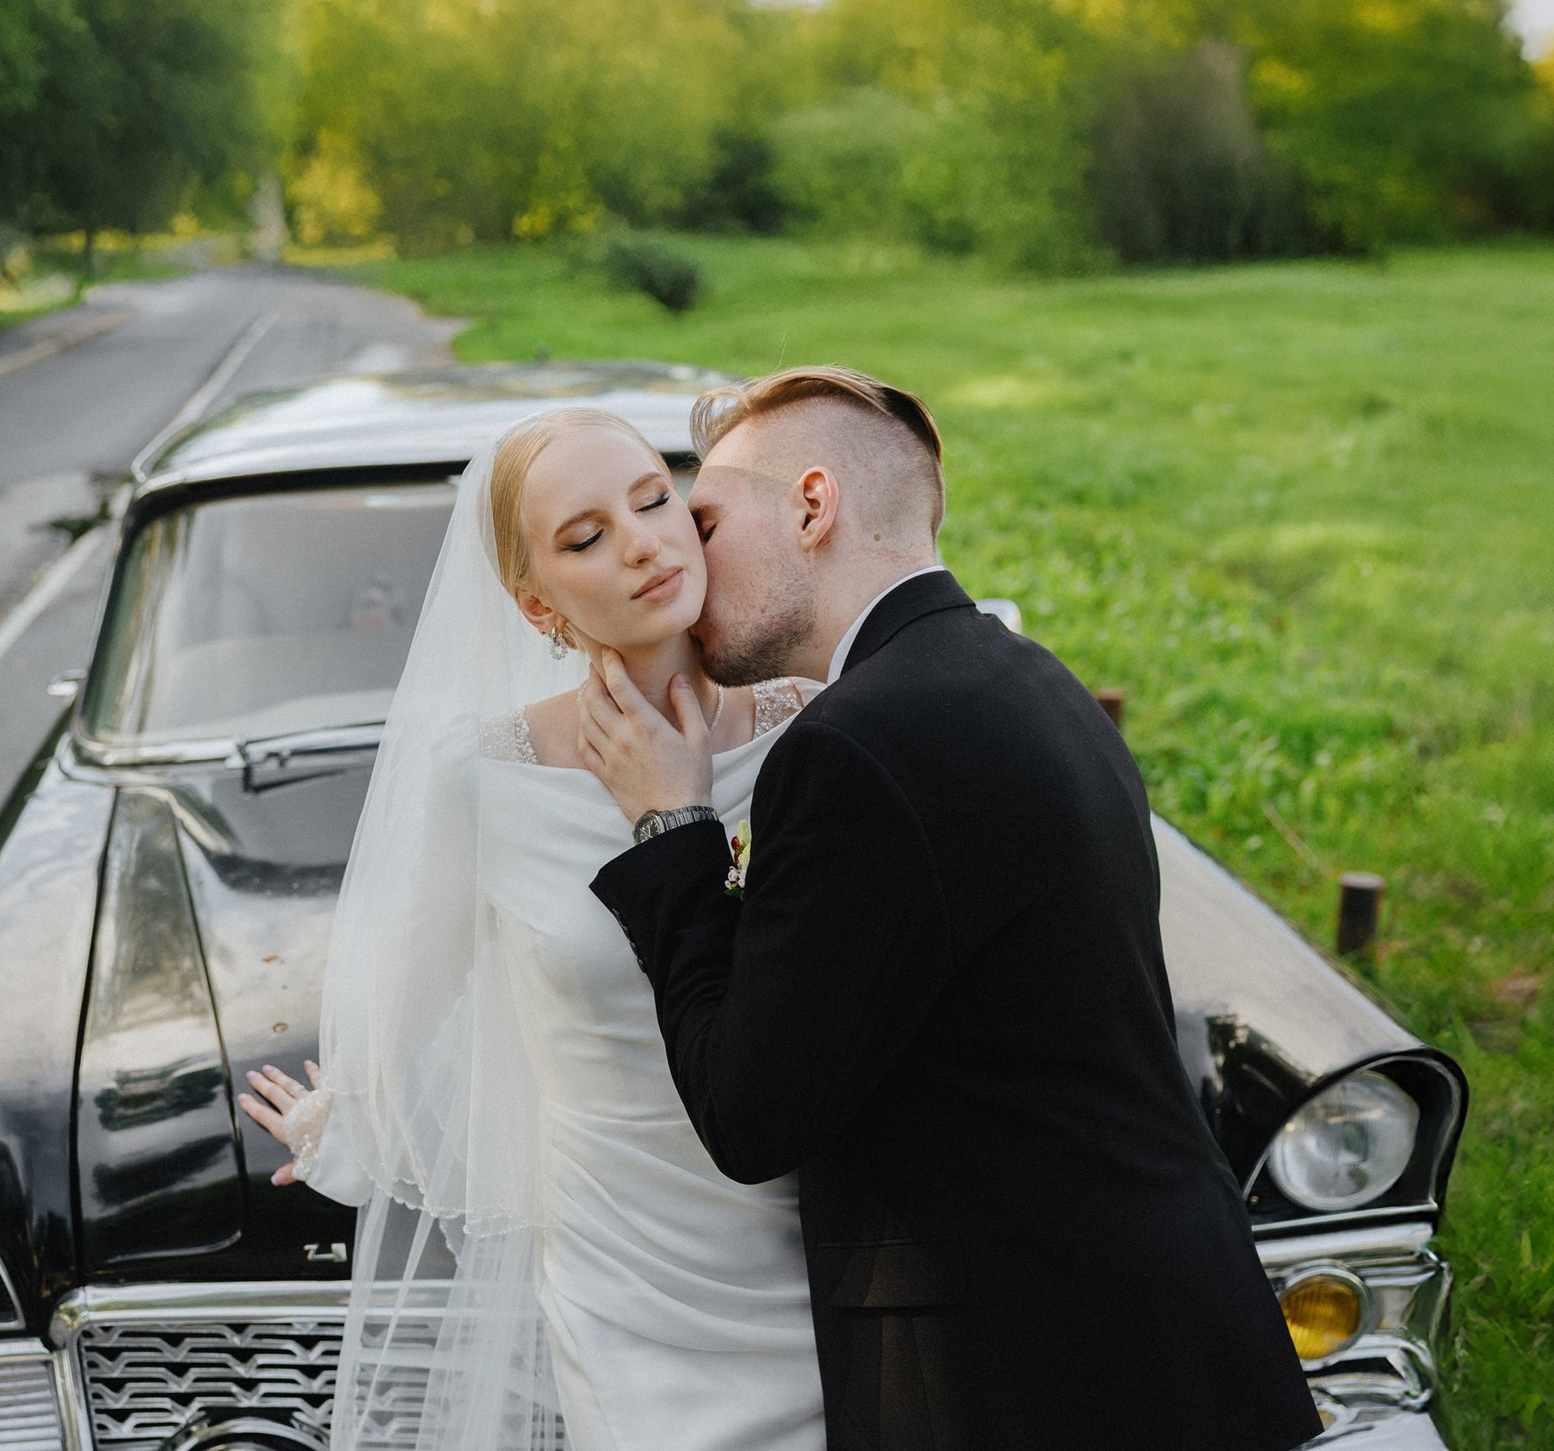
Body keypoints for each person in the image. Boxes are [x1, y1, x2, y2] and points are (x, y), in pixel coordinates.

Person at [575, 367, 1323, 1451]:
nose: (685, 561)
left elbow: (748, 1115)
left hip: (1017, 1374)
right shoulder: (1028, 677)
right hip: (1168, 1320)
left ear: (813, 507)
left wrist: (669, 829)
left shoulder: (852, 748)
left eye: (704, 520)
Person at [238, 407, 827, 1451]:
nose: (642, 543)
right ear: (537, 604)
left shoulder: (812, 728)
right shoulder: (489, 778)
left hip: (821, 1245)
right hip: (629, 1279)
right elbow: (412, 993)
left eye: (654, 502)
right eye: (584, 537)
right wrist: (341, 1119)